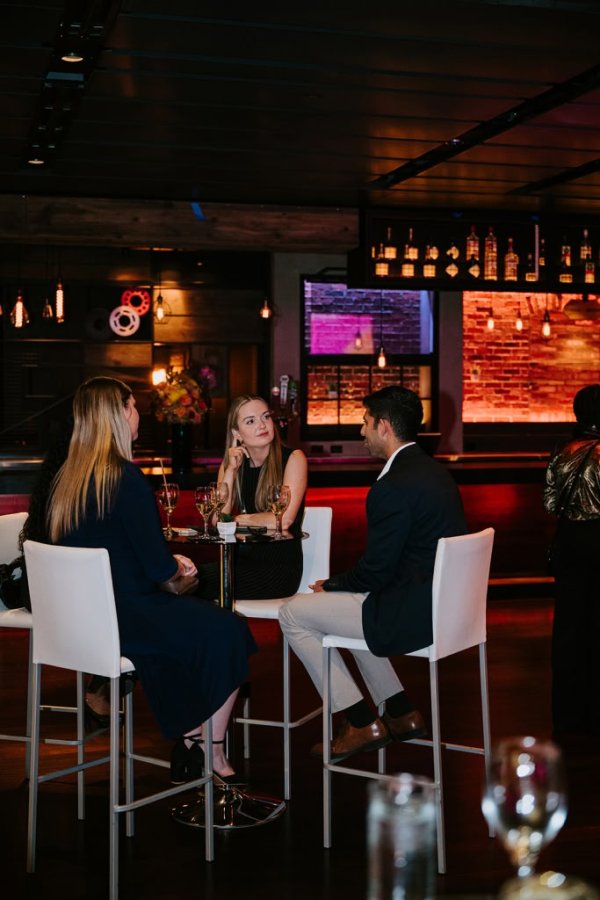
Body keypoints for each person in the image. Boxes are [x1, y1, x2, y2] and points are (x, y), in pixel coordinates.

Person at [45, 376, 256, 783]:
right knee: (230, 630)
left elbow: (112, 552)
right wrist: (178, 564)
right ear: (120, 415)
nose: (137, 412)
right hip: (128, 614)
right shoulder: (125, 479)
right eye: (132, 405)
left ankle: (192, 738)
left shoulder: (67, 481)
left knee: (180, 640)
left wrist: (162, 561)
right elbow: (158, 571)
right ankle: (210, 748)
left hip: (83, 622)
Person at [279, 385, 467, 763]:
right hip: (448, 609)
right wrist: (339, 589)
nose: (360, 432)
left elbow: (375, 571)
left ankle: (359, 719)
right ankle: (400, 712)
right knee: (339, 608)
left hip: (413, 615)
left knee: (293, 613)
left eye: (364, 422)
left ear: (383, 426)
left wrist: (330, 584)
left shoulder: (392, 486)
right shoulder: (436, 473)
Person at [196, 394, 308, 600]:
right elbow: (216, 519)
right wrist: (231, 470)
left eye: (266, 417)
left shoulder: (294, 458)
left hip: (278, 570)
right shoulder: (231, 465)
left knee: (193, 583)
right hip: (239, 561)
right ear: (236, 433)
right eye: (251, 421)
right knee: (186, 576)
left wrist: (239, 519)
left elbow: (283, 520)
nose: (262, 425)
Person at [543, 384, 600, 739]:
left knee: (567, 628)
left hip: (569, 544)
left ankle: (566, 715)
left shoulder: (562, 450)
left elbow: (550, 505)